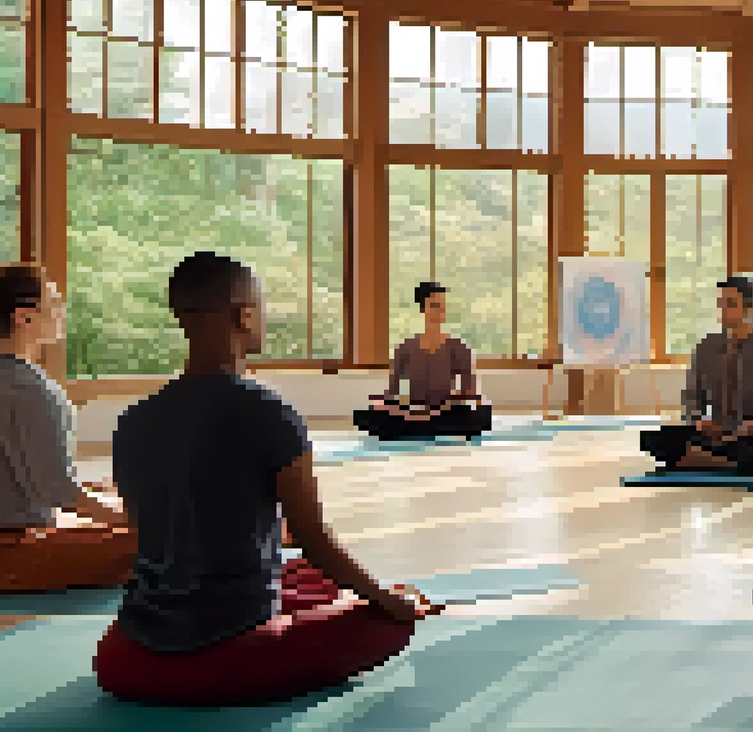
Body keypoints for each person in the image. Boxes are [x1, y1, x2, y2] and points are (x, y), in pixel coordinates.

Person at [94, 252, 437, 707]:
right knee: (391, 616)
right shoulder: (267, 410)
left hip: (136, 643)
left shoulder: (131, 421)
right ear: (243, 315)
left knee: (310, 579)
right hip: (229, 640)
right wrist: (387, 601)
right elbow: (315, 541)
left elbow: (157, 534)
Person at [0, 263, 137, 592]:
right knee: (177, 536)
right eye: (54, 301)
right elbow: (58, 492)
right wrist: (138, 518)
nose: (61, 310)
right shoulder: (29, 388)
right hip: (14, 555)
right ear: (24, 316)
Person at [639, 276, 753, 477]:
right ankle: (725, 463)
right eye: (721, 304)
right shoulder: (705, 348)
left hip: (749, 436)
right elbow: (692, 397)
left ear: (749, 308)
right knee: (655, 439)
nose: (723, 311)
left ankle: (702, 460)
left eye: (730, 304)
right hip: (712, 433)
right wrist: (700, 420)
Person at [355, 281, 490, 440]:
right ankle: (418, 425)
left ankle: (421, 426)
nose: (439, 312)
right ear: (422, 308)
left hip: (446, 412)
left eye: (442, 307)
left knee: (479, 415)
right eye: (434, 306)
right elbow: (393, 391)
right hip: (412, 412)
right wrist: (390, 405)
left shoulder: (459, 347)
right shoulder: (405, 348)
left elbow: (470, 391)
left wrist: (442, 407)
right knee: (367, 414)